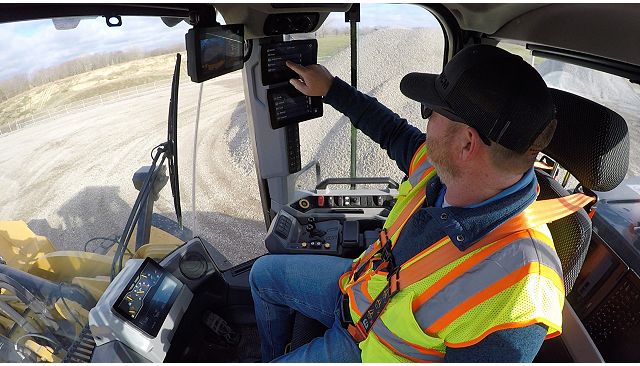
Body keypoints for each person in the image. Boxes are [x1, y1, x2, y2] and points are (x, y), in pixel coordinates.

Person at [249, 44, 563, 362]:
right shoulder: (438, 167)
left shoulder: (520, 290)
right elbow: (392, 131)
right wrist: (330, 88)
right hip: (358, 290)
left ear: (466, 143)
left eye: (430, 111)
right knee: (262, 275)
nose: (424, 121)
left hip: (366, 352)